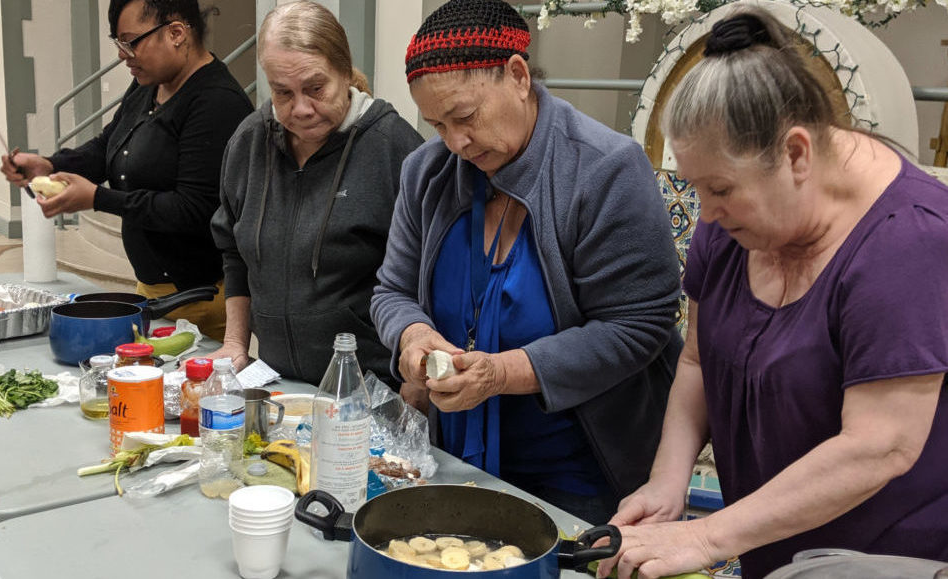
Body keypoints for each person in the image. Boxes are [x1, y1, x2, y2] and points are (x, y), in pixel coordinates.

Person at [595, 9, 948, 579]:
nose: (704, 213)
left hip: (883, 557)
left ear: (797, 155)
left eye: (719, 189)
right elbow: (696, 358)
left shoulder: (910, 243)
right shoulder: (730, 219)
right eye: (696, 189)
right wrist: (668, 479)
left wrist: (707, 534)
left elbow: (880, 446)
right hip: (769, 546)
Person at [370, 0, 683, 526]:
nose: (456, 143)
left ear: (518, 75)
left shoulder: (605, 171)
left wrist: (502, 373)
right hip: (454, 456)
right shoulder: (426, 173)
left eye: (466, 117)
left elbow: (638, 326)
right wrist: (412, 336)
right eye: (438, 125)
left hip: (582, 471)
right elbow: (391, 291)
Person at [0, 0, 253, 341]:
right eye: (118, 43)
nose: (123, 54)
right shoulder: (149, 85)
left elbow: (192, 209)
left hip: (199, 297)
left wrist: (97, 198)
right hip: (152, 289)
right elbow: (108, 146)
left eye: (130, 42)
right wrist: (50, 165)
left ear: (176, 33)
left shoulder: (217, 102)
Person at [208, 1, 423, 386]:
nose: (301, 108)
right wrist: (235, 342)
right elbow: (234, 254)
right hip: (278, 381)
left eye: (315, 88)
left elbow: (426, 279)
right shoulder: (249, 142)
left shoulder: (394, 148)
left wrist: (416, 380)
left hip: (369, 386)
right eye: (282, 92)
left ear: (344, 71)